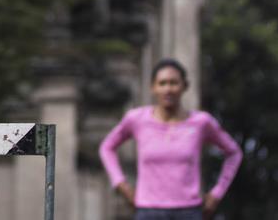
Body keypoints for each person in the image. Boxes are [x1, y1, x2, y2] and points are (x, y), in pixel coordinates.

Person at [98, 59, 243, 219]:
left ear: (184, 86)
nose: (168, 89)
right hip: (148, 211)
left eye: (174, 83)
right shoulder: (136, 119)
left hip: (188, 211)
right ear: (153, 87)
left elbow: (234, 152)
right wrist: (121, 184)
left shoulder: (201, 122)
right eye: (162, 83)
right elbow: (107, 147)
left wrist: (217, 193)